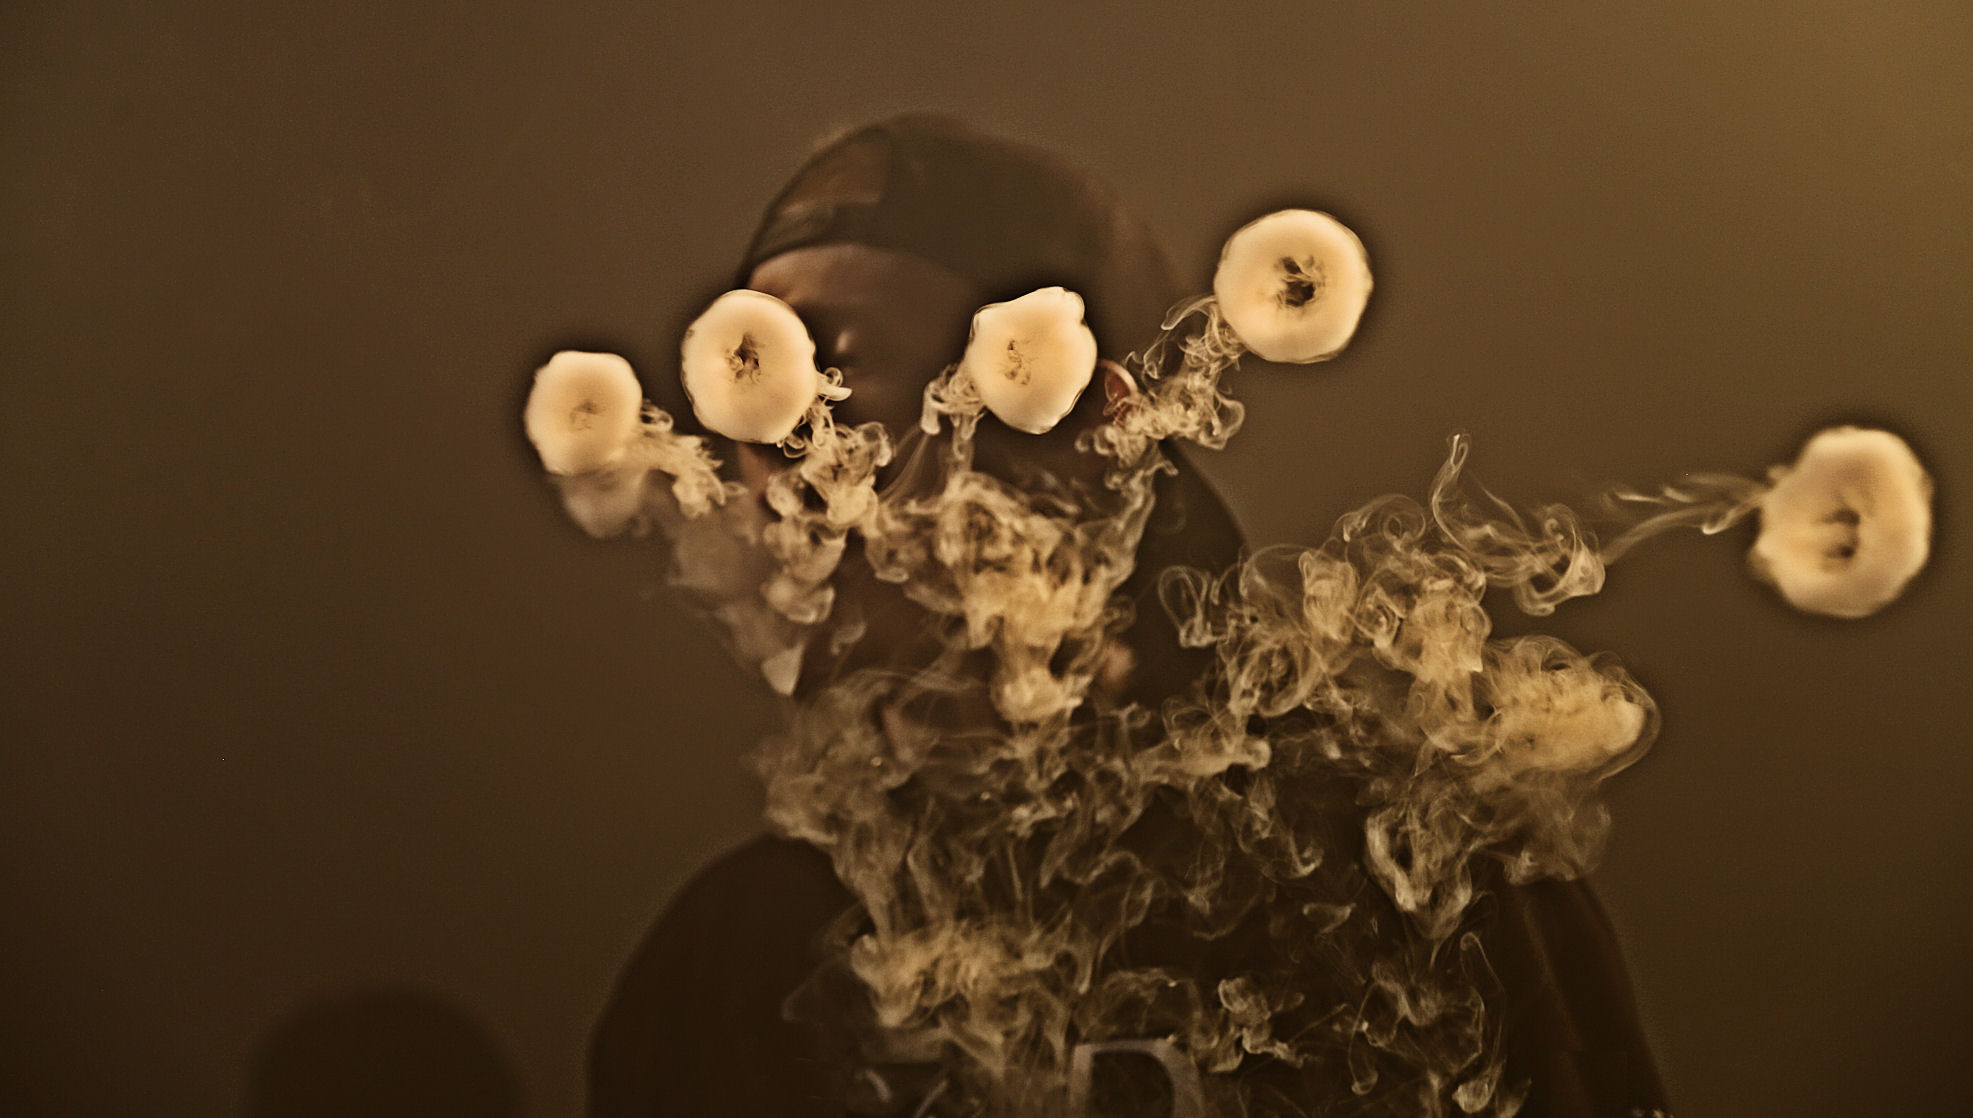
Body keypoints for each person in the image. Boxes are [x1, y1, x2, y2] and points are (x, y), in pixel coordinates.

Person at [589, 115, 1668, 1116]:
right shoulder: (729, 963)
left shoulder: (1406, 863)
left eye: (834, 365)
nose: (771, 438)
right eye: (746, 373)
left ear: (1083, 429)